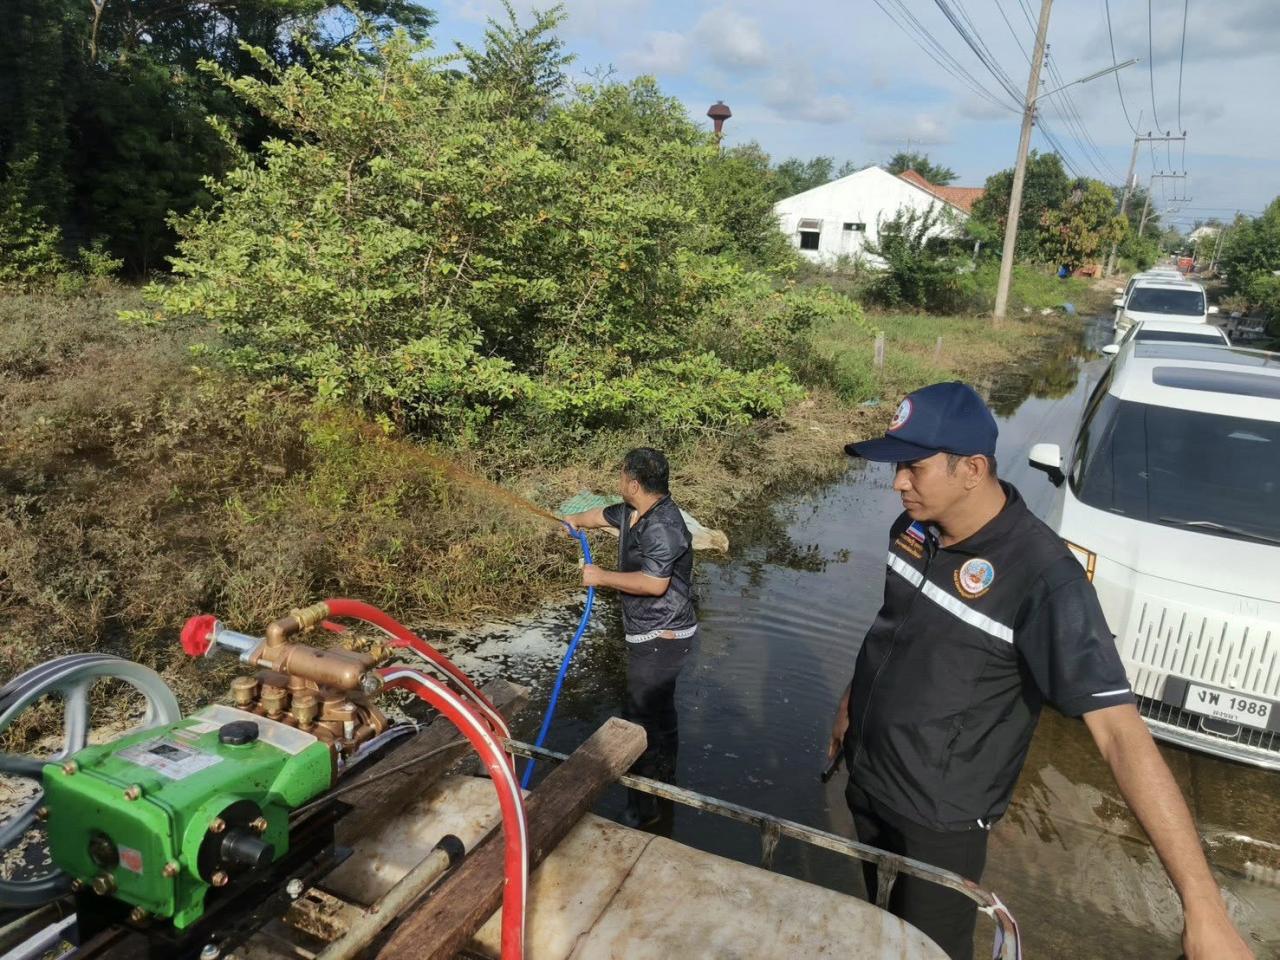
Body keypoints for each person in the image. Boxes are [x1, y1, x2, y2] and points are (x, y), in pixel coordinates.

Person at [829, 381, 1252, 960]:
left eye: (914, 467)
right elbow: (894, 629)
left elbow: (1121, 735)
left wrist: (1203, 905)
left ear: (972, 469)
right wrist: (851, 707)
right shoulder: (912, 530)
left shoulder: (1045, 580)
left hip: (939, 820)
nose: (898, 482)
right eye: (898, 466)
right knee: (873, 929)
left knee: (928, 949)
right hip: (869, 779)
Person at [562, 447, 696, 827]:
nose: (618, 480)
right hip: (652, 635)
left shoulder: (663, 527)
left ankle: (644, 809)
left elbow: (655, 584)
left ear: (634, 483)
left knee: (638, 718)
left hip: (663, 635)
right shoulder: (634, 512)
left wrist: (600, 575)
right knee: (660, 711)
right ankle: (665, 784)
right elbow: (598, 514)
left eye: (622, 475)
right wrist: (572, 520)